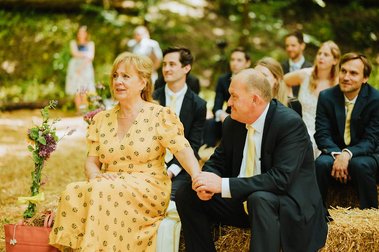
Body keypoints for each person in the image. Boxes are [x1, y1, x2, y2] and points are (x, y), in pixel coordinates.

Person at [49, 52, 201, 251]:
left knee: (104, 192)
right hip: (108, 182)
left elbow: (183, 150)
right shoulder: (101, 119)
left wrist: (198, 177)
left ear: (143, 83)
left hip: (148, 185)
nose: (118, 81)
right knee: (72, 191)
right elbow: (92, 161)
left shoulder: (159, 115)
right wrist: (96, 176)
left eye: (126, 76)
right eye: (115, 76)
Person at [176, 68, 328, 252]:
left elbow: (280, 180)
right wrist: (205, 182)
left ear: (255, 99)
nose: (229, 102)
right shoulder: (233, 122)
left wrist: (223, 185)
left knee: (259, 199)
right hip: (243, 201)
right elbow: (218, 161)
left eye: (234, 96)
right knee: (187, 193)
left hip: (285, 205)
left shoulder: (289, 123)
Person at [315, 52, 379, 210]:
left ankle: (371, 216)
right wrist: (338, 155)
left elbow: (372, 140)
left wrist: (347, 154)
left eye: (353, 73)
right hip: (334, 152)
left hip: (366, 154)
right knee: (321, 164)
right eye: (343, 71)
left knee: (360, 164)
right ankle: (315, 212)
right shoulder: (326, 97)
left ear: (365, 78)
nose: (346, 77)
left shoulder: (376, 99)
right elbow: (322, 134)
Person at [153, 47, 207, 200]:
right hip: (150, 165)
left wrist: (170, 171)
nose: (166, 69)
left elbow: (193, 144)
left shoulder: (199, 105)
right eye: (164, 65)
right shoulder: (150, 99)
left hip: (181, 168)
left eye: (172, 64)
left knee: (173, 201)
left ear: (186, 68)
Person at [284, 40, 341, 158]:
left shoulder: (339, 83)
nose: (321, 57)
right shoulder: (305, 75)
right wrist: (289, 101)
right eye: (319, 53)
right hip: (301, 128)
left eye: (326, 55)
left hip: (325, 132)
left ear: (335, 60)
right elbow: (282, 81)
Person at [202, 47, 251, 147]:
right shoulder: (223, 79)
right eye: (232, 59)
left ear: (247, 63)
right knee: (209, 123)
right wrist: (221, 115)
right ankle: (206, 152)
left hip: (247, 118)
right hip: (228, 116)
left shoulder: (252, 80)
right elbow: (217, 105)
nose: (234, 63)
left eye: (239, 60)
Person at [65, 25, 96, 113]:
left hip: (86, 68)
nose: (81, 34)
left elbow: (91, 56)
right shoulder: (73, 42)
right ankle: (79, 110)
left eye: (83, 32)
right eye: (80, 32)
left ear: (86, 34)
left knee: (85, 89)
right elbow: (75, 54)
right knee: (77, 89)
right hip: (75, 67)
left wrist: (82, 65)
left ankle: (84, 110)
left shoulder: (91, 43)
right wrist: (86, 54)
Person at [281, 30, 313, 97]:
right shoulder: (281, 67)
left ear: (302, 46)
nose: (289, 49)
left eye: (293, 45)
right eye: (287, 46)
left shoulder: (311, 69)